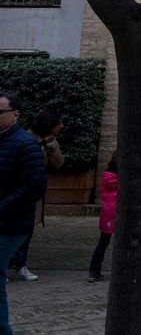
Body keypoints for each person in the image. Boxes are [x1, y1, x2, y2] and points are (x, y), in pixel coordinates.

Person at [0, 92, 46, 335]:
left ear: (15, 115)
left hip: (10, 224)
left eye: (0, 112)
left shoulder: (25, 145)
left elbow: (33, 186)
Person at [9, 108, 64, 282]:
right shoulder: (23, 140)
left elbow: (58, 163)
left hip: (34, 196)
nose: (61, 126)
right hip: (16, 193)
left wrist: (51, 143)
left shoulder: (48, 141)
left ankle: (21, 265)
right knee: (10, 231)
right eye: (58, 123)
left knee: (27, 232)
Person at [88, 153, 118, 282]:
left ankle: (94, 271)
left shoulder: (106, 176)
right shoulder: (123, 178)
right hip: (119, 212)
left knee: (103, 243)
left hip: (107, 213)